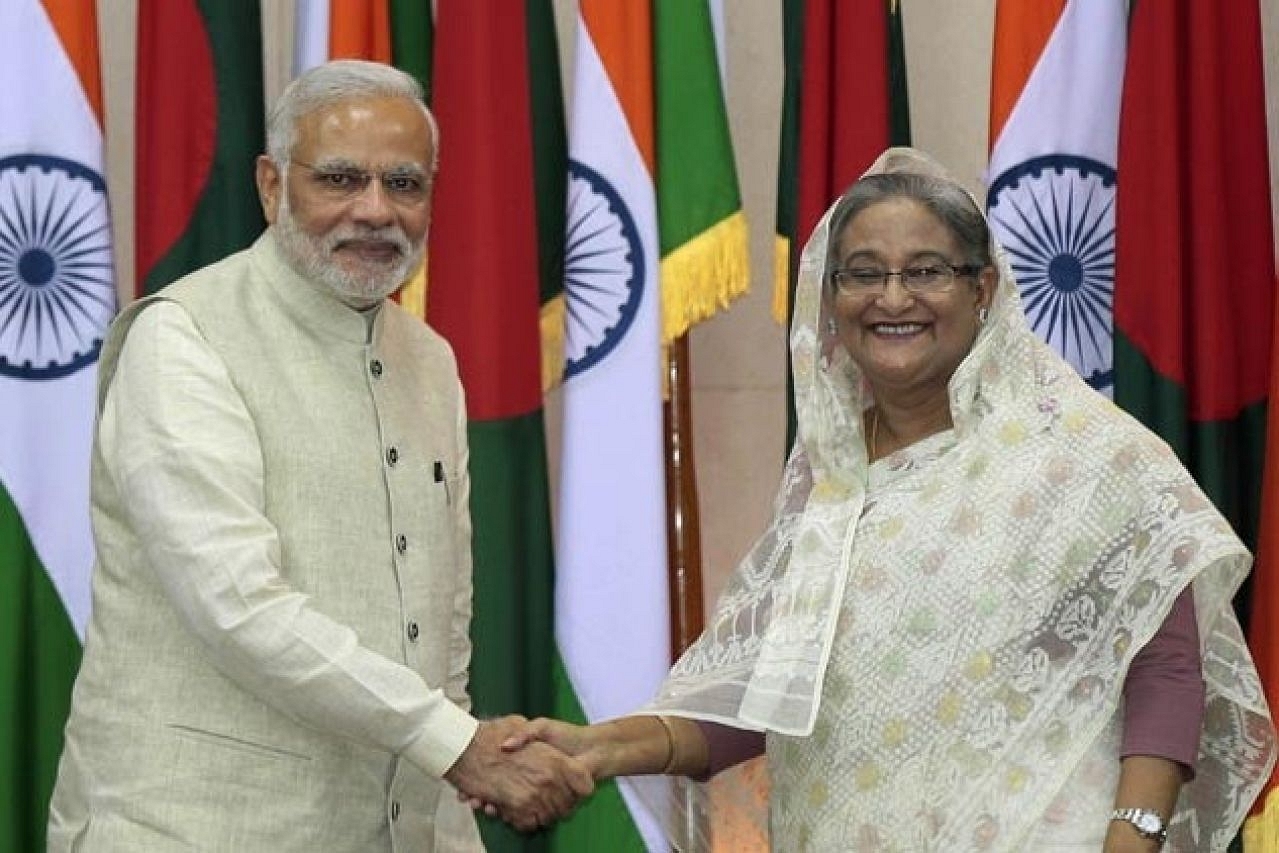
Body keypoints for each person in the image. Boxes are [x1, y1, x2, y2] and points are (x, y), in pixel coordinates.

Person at [502, 148, 1275, 851]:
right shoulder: (829, 477)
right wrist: (599, 746)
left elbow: (1166, 671)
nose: (891, 296)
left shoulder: (1087, 454)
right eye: (863, 272)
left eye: (926, 270)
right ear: (830, 297)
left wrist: (1132, 837)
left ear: (982, 289)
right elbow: (770, 695)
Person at [47, 59, 591, 851]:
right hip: (190, 828)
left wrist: (450, 810)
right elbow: (237, 602)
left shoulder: (430, 359)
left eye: (404, 184)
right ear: (271, 186)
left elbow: (443, 626)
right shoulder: (184, 338)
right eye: (340, 178)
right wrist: (456, 743)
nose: (375, 210)